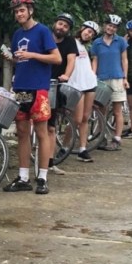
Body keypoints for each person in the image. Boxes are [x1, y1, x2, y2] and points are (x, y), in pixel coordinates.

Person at [2, 0, 61, 195]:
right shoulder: (17, 34)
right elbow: (22, 61)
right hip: (21, 88)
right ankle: (23, 176)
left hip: (39, 88)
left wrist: (32, 55)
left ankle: (42, 177)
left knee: (42, 132)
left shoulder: (43, 31)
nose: (19, 14)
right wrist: (12, 58)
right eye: (16, 11)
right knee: (22, 132)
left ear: (30, 10)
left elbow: (56, 58)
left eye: (22, 10)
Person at [46, 13, 78, 175]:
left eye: (65, 26)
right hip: (38, 83)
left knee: (51, 128)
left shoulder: (70, 42)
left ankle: (50, 163)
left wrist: (66, 75)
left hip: (55, 86)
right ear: (55, 24)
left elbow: (71, 61)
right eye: (60, 24)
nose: (61, 28)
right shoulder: (45, 36)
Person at [90, 14, 127, 151]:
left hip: (117, 77)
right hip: (102, 78)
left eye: (114, 27)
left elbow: (124, 60)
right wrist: (93, 76)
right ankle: (102, 136)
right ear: (105, 26)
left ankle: (117, 138)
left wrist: (125, 77)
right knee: (101, 110)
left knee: (117, 110)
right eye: (110, 25)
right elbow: (95, 60)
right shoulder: (97, 43)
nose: (111, 28)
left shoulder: (121, 41)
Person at [68, 20, 100, 163]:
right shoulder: (71, 42)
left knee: (86, 118)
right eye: (87, 31)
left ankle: (82, 148)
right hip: (76, 85)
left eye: (91, 33)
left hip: (89, 84)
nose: (88, 34)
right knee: (76, 119)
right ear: (81, 29)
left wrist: (93, 74)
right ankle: (64, 146)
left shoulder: (86, 47)